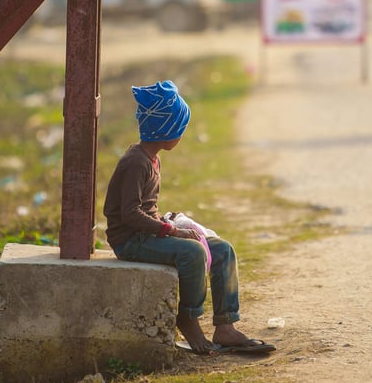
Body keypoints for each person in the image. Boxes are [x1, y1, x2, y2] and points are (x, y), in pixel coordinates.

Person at [103, 80, 275, 355]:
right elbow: (130, 214)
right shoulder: (136, 162)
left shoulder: (152, 157)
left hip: (148, 231)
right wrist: (171, 230)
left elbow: (146, 210)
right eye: (180, 129)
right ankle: (188, 318)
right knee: (192, 253)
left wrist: (171, 223)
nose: (181, 135)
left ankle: (226, 325)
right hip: (130, 240)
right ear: (167, 130)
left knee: (223, 250)